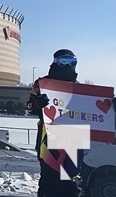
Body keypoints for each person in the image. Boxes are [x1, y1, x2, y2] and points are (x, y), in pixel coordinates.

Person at [27, 49, 82, 197]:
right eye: (62, 61)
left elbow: (91, 111)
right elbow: (29, 107)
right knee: (50, 183)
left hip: (73, 140)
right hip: (49, 139)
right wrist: (38, 103)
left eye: (71, 62)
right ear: (55, 62)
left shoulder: (80, 87)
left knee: (71, 184)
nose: (66, 66)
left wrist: (110, 106)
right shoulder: (42, 83)